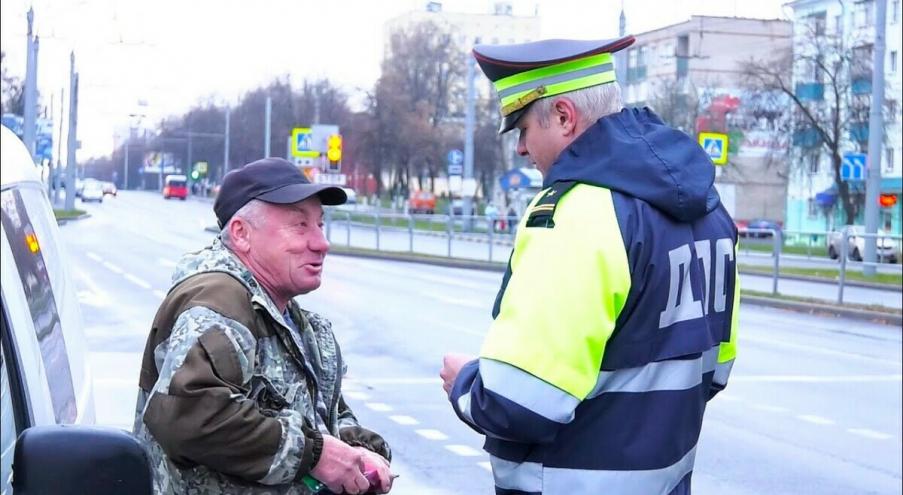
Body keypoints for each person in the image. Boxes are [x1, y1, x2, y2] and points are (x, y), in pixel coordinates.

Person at [440, 36, 739, 495]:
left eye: (521, 128)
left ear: (563, 116)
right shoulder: (710, 212)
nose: (521, 148)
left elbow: (516, 402)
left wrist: (464, 381)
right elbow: (715, 370)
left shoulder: (578, 213)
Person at [134, 157, 394, 495]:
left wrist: (358, 451)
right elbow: (192, 416)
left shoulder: (283, 313)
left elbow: (317, 415)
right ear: (242, 234)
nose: (321, 242)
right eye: (300, 225)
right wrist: (316, 455)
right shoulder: (218, 302)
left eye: (320, 224)